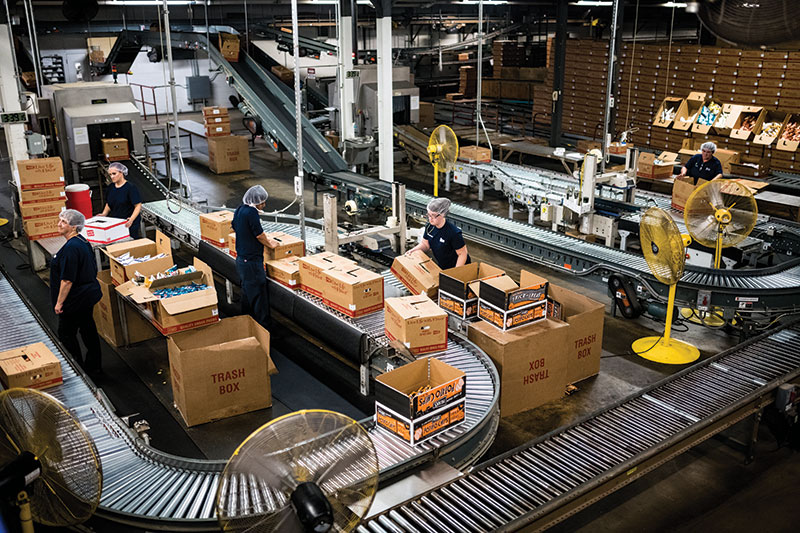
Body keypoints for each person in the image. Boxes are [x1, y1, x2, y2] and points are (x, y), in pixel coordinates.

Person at [51, 209, 103, 376]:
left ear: (73, 227)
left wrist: (59, 303)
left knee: (66, 334)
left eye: (63, 222)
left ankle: (77, 370)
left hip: (75, 300)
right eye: (60, 220)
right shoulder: (82, 242)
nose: (59, 224)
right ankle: (94, 366)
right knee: (88, 329)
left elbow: (67, 281)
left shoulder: (71, 248)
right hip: (87, 296)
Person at [232, 185, 279, 328]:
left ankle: (246, 324)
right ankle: (264, 330)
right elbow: (259, 234)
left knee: (247, 294)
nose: (264, 205)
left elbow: (234, 226)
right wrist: (270, 244)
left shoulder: (240, 209)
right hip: (252, 262)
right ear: (255, 201)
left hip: (241, 261)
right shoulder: (252, 213)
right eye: (262, 202)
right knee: (259, 297)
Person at [406, 197, 470, 270]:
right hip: (443, 266)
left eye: (433, 215)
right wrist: (413, 250)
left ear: (443, 214)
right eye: (429, 215)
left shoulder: (453, 232)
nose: (430, 218)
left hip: (458, 267)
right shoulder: (429, 227)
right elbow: (425, 245)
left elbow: (462, 254)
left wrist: (456, 271)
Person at [101, 162, 143, 238]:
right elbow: (108, 203)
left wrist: (131, 219)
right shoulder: (110, 187)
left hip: (128, 224)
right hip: (116, 222)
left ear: (121, 173)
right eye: (110, 174)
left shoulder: (130, 188)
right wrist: (104, 214)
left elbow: (138, 205)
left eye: (114, 174)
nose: (112, 176)